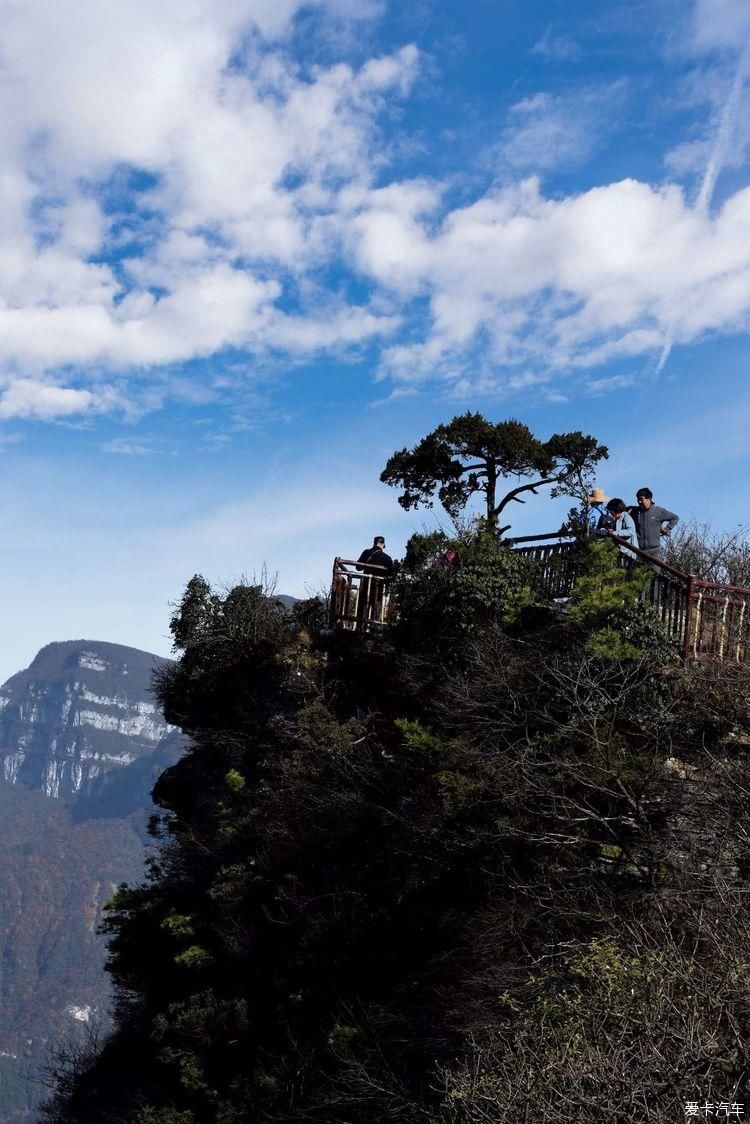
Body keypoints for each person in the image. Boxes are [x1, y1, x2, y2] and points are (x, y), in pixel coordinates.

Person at [630, 488, 679, 560]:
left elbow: (675, 518)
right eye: (638, 499)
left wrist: (667, 528)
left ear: (649, 498)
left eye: (641, 499)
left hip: (654, 552)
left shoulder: (659, 511)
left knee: (654, 571)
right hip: (639, 552)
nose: (639, 502)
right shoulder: (634, 512)